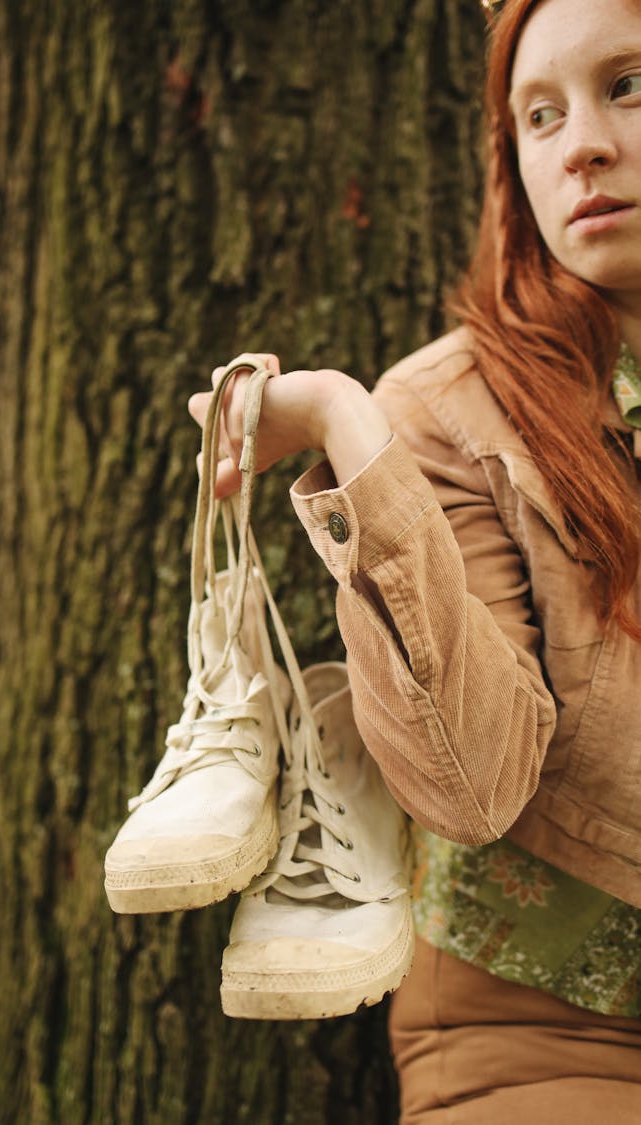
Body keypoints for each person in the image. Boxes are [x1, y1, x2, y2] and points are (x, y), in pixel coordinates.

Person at [184, 0, 641, 1119]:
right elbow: (469, 784)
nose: (578, 141)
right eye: (538, 114)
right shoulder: (447, 412)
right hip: (546, 1032)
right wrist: (350, 429)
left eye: (628, 86)